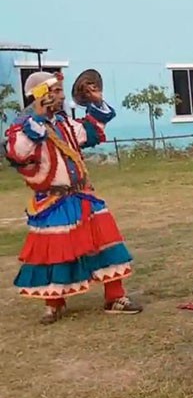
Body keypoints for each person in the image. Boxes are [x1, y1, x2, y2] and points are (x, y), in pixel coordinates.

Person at [4, 72, 141, 324]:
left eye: (60, 91)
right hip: (52, 202)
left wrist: (95, 102)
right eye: (55, 91)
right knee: (54, 254)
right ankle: (53, 303)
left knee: (106, 244)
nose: (61, 96)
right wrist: (37, 117)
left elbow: (91, 132)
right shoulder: (24, 127)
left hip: (82, 196)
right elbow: (18, 153)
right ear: (40, 95)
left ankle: (115, 297)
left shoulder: (64, 123)